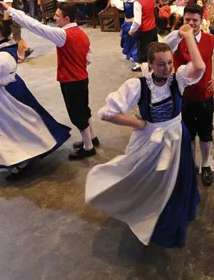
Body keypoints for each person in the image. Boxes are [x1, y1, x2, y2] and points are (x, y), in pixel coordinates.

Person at [85, 27, 205, 248]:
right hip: (150, 139)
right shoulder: (138, 86)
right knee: (146, 178)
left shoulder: (177, 79)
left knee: (178, 179)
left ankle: (174, 214)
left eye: (169, 62)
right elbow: (106, 112)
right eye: (160, 64)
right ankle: (147, 212)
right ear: (149, 64)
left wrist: (187, 36)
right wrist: (138, 123)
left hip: (177, 136)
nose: (167, 68)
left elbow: (199, 67)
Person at [0, 8, 71, 180]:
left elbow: (4, 80)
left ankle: (22, 159)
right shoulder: (3, 41)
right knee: (6, 125)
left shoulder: (4, 57)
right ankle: (17, 157)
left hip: (5, 94)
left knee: (11, 125)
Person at [0, 1, 97, 160]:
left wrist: (10, 10)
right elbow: (88, 57)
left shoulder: (63, 34)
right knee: (84, 108)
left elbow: (34, 26)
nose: (54, 18)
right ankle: (92, 137)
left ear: (66, 18)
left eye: (57, 16)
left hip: (70, 80)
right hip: (82, 77)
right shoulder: (81, 33)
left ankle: (88, 147)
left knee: (77, 114)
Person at [163, 5, 214, 187]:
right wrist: (179, 34)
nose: (191, 24)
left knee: (205, 133)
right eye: (187, 20)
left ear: (201, 20)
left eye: (194, 20)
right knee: (187, 134)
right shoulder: (176, 39)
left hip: (204, 96)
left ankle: (205, 165)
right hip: (182, 97)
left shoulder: (211, 40)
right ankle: (191, 164)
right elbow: (163, 48)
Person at [120, 0, 159, 72]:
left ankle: (146, 74)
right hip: (153, 28)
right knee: (153, 50)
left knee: (143, 54)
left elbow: (137, 21)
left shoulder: (138, 2)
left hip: (143, 31)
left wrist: (131, 31)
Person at [108, 0, 139, 64]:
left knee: (128, 41)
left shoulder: (123, 4)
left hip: (128, 24)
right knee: (136, 42)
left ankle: (136, 60)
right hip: (138, 23)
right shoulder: (138, 1)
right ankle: (137, 58)